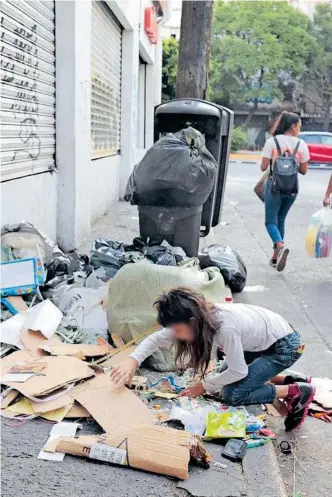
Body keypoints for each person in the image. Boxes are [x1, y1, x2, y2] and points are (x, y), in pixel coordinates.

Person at [111, 287, 315, 432]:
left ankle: (297, 391)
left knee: (233, 393)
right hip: (262, 341)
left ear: (192, 322)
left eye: (179, 330)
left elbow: (239, 372)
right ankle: (286, 379)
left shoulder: (225, 327)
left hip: (285, 346)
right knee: (225, 373)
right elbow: (157, 339)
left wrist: (204, 386)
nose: (176, 336)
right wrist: (133, 360)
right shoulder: (198, 318)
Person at [261, 111, 310, 271]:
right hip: (292, 188)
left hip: (274, 187)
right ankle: (276, 257)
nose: (300, 129)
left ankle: (280, 246)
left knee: (270, 222)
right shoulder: (301, 144)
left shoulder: (272, 141)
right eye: (299, 126)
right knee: (280, 220)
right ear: (293, 126)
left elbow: (263, 167)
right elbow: (304, 171)